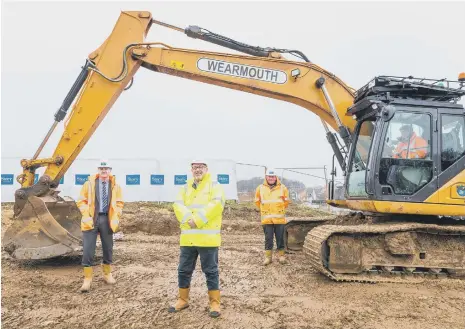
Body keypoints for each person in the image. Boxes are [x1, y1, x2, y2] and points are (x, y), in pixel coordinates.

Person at [169, 160, 225, 318]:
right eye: (195, 167)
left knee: (211, 271)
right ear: (191, 169)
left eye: (200, 167)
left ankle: (214, 303)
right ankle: (183, 299)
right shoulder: (185, 187)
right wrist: (188, 219)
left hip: (208, 239)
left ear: (206, 168)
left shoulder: (215, 186)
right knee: (183, 270)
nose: (197, 170)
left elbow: (216, 205)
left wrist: (197, 220)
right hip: (188, 239)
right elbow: (177, 205)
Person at [76, 159, 124, 292]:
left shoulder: (115, 186)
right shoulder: (89, 184)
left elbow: (119, 203)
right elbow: (81, 201)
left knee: (108, 248)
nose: (104, 171)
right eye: (102, 169)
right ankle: (87, 279)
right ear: (98, 170)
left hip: (107, 220)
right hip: (91, 219)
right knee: (87, 250)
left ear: (110, 171)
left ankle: (107, 274)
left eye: (106, 168)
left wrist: (117, 215)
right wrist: (86, 214)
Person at [254, 168, 290, 266]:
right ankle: (268, 257)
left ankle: (281, 256)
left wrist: (279, 208)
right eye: (269, 176)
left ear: (276, 177)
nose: (271, 178)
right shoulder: (260, 188)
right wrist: (265, 209)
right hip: (266, 219)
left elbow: (286, 202)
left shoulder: (283, 188)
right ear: (266, 177)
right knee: (268, 238)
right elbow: (257, 202)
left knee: (280, 238)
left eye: (273, 176)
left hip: (279, 218)